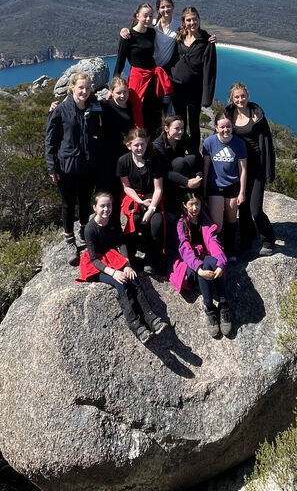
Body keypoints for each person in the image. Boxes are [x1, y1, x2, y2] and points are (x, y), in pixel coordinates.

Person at [77, 192, 168, 343]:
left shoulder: (112, 221)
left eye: (109, 205)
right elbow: (93, 259)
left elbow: (121, 243)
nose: (106, 209)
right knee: (121, 282)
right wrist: (113, 273)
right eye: (102, 206)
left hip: (112, 255)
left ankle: (150, 317)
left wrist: (126, 264)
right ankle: (136, 325)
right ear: (94, 208)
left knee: (132, 276)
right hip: (97, 263)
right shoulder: (90, 229)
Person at [45, 73, 102, 265]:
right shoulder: (60, 110)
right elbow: (50, 141)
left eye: (87, 88)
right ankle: (70, 240)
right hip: (66, 167)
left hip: (88, 165)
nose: (84, 92)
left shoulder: (94, 107)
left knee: (85, 200)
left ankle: (85, 230)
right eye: (81, 88)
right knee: (68, 204)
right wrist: (52, 167)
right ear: (72, 88)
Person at [224, 82, 277, 256]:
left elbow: (267, 143)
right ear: (232, 98)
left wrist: (268, 171)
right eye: (237, 97)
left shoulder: (257, 115)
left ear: (248, 96)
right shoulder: (228, 116)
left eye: (243, 96)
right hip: (237, 167)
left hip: (255, 167)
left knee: (255, 209)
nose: (241, 99)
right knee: (243, 206)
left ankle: (268, 240)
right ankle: (247, 240)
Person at [169, 193, 232, 338]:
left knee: (213, 262)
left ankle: (223, 305)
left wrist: (221, 263)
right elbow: (185, 249)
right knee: (204, 267)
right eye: (191, 204)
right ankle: (209, 309)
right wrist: (198, 268)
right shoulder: (181, 223)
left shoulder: (205, 219)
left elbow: (212, 241)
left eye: (197, 203)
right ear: (185, 205)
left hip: (204, 257)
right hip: (188, 263)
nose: (195, 207)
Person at [114, 2, 172, 136]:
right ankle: (139, 140)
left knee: (154, 111)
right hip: (137, 79)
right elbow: (120, 62)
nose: (148, 19)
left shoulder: (152, 32)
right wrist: (114, 87)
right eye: (145, 16)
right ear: (137, 16)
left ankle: (154, 143)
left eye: (151, 16)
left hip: (153, 78)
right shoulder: (128, 37)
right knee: (137, 109)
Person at [116, 128, 165, 274]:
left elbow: (158, 189)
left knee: (156, 224)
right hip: (134, 196)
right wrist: (139, 201)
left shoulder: (154, 159)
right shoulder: (123, 161)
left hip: (152, 196)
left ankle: (151, 258)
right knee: (133, 220)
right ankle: (130, 257)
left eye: (142, 145)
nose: (139, 148)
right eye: (136, 145)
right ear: (129, 145)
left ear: (147, 144)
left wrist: (150, 209)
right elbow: (126, 187)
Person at [169, 6, 216, 151]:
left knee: (194, 124)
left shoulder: (207, 41)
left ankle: (195, 154)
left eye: (195, 19)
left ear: (199, 20)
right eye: (188, 20)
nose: (192, 22)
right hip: (177, 88)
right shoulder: (179, 37)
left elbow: (210, 71)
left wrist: (207, 98)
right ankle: (179, 152)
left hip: (195, 90)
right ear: (183, 22)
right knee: (179, 123)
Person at [202, 112, 247, 261]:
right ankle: (215, 250)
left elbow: (243, 170)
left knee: (232, 219)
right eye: (222, 127)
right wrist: (204, 188)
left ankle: (230, 250)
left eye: (228, 126)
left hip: (232, 186)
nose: (225, 130)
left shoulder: (239, 144)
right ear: (216, 127)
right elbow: (206, 166)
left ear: (232, 126)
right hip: (215, 187)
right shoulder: (209, 142)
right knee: (217, 224)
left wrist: (242, 192)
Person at [153, 114, 203, 217]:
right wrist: (186, 182)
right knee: (179, 162)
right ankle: (174, 205)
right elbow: (163, 171)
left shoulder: (183, 137)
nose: (180, 131)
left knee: (191, 158)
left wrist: (198, 176)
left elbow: (197, 156)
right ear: (166, 128)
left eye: (182, 128)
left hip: (180, 174)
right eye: (176, 128)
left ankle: (195, 204)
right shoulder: (158, 145)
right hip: (166, 179)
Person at [100, 76, 135, 206]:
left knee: (123, 190)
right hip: (108, 156)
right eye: (118, 92)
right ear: (111, 92)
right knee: (108, 192)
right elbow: (83, 104)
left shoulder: (131, 107)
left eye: (125, 92)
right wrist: (54, 108)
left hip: (125, 155)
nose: (122, 95)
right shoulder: (104, 105)